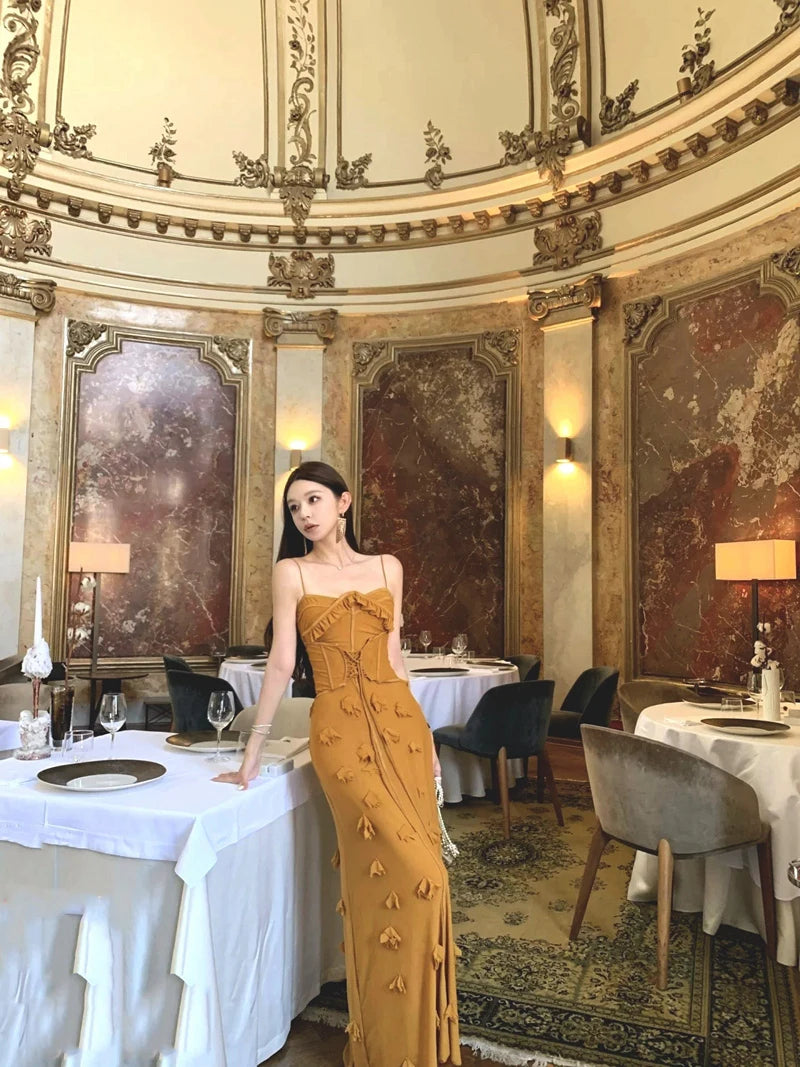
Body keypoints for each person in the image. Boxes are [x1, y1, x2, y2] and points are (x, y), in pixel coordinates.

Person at [215, 461, 462, 1066]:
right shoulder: (291, 572)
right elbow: (279, 667)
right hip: (341, 734)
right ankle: (383, 1048)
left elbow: (396, 656)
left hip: (400, 726)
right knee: (404, 872)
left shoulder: (387, 568)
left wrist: (427, 734)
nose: (304, 513)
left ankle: (416, 1045)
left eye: (314, 499)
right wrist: (252, 753)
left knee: (430, 877)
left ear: (344, 503)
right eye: (295, 506)